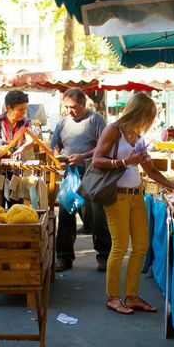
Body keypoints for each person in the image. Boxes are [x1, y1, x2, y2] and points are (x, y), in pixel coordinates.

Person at [92, 92, 174, 314]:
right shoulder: (114, 129)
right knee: (119, 247)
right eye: (150, 116)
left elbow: (150, 170)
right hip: (116, 195)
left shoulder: (135, 136)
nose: (150, 122)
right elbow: (97, 160)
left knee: (140, 246)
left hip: (137, 195)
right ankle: (113, 297)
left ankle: (132, 295)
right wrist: (127, 161)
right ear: (140, 113)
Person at [50, 88, 111, 272]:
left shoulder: (96, 120)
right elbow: (55, 146)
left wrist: (83, 156)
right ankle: (64, 257)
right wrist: (58, 158)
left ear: (84, 104)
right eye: (67, 107)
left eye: (74, 107)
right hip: (71, 175)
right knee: (66, 215)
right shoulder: (62, 122)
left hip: (93, 175)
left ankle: (104, 257)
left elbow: (104, 147)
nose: (70, 111)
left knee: (97, 217)